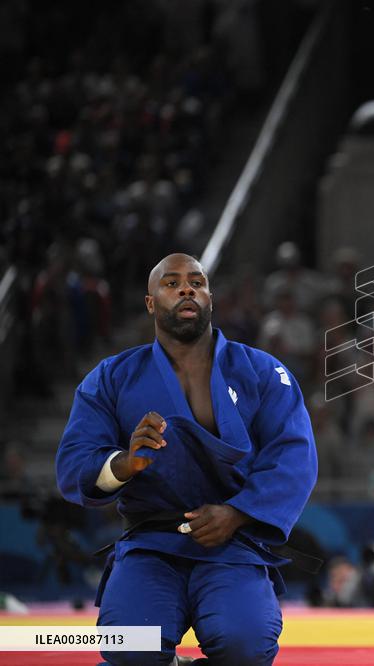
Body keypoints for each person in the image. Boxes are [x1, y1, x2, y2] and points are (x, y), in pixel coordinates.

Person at [55, 253, 318, 665]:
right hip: (150, 544)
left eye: (197, 282)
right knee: (129, 650)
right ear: (150, 302)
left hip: (233, 543)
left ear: (211, 298)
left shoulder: (262, 372)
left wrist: (237, 514)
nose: (186, 289)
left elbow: (294, 457)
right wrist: (124, 464)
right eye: (171, 283)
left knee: (245, 647)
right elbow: (74, 463)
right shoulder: (111, 378)